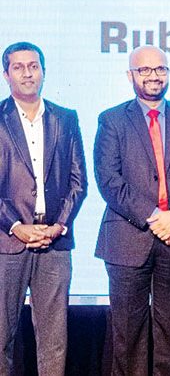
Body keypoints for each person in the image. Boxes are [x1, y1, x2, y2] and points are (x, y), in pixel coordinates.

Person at [94, 45, 170, 375]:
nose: (154, 76)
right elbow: (108, 179)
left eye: (160, 69)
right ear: (130, 76)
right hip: (127, 240)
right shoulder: (111, 119)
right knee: (128, 339)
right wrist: (156, 218)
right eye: (145, 70)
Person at [0, 41, 87, 375]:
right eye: (19, 67)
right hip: (7, 242)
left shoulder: (65, 118)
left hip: (55, 242)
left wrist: (59, 225)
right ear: (6, 75)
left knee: (54, 342)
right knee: (2, 337)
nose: (27, 73)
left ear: (44, 72)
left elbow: (78, 181)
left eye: (34, 66)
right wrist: (15, 226)